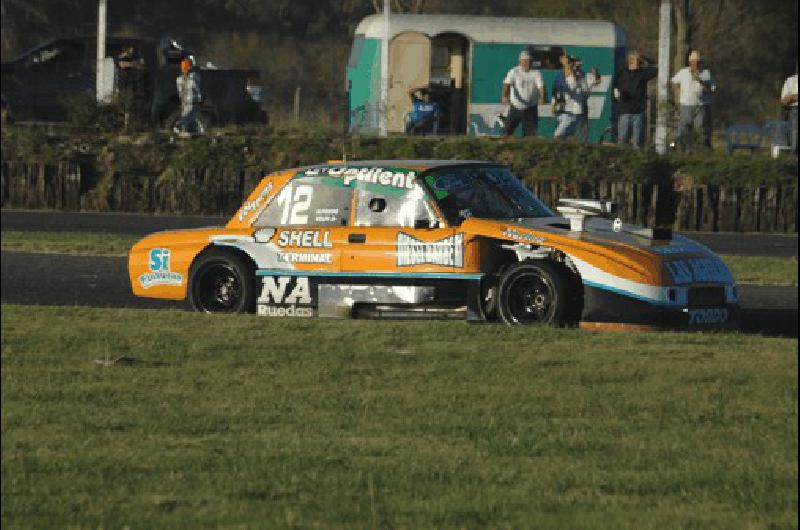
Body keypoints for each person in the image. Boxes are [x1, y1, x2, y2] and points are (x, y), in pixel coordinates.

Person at [670, 50, 716, 149]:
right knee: (683, 128)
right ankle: (682, 149)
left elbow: (712, 90)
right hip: (685, 105)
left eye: (697, 62)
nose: (695, 64)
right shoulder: (683, 72)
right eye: (693, 62)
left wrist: (700, 81)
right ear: (690, 62)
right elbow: (673, 81)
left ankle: (698, 149)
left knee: (699, 129)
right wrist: (677, 90)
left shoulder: (706, 73)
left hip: (700, 105)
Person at [613, 51, 657, 148]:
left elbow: (656, 69)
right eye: (636, 60)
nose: (638, 62)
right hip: (625, 111)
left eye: (638, 60)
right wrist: (618, 96)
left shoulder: (642, 73)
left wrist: (645, 58)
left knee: (637, 142)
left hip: (638, 111)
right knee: (622, 140)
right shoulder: (621, 73)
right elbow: (614, 87)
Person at [501, 50, 545, 137]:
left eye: (529, 61)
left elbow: (541, 87)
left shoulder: (536, 73)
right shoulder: (514, 71)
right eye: (524, 61)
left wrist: (542, 98)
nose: (527, 63)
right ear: (520, 62)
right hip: (515, 107)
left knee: (530, 136)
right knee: (506, 132)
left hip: (531, 108)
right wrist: (504, 96)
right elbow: (507, 85)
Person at [551, 55, 589, 139]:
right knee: (560, 135)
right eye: (568, 62)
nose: (570, 65)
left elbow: (584, 92)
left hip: (575, 111)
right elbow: (555, 92)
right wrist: (553, 105)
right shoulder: (558, 76)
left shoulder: (580, 76)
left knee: (561, 135)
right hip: (562, 111)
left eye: (571, 63)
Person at [175, 56, 202, 136]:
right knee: (187, 117)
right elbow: (195, 86)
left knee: (190, 117)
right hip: (191, 101)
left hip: (188, 102)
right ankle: (179, 127)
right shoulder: (194, 76)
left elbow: (181, 92)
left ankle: (189, 132)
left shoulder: (180, 79)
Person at [781, 70, 798, 155]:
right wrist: (793, 97)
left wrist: (794, 96)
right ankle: (793, 154)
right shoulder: (790, 81)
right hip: (794, 109)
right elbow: (784, 101)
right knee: (794, 131)